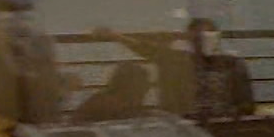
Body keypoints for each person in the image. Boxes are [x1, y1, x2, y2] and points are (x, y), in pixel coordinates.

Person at [94, 18, 253, 122]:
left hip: (224, 125)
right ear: (190, 39)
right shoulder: (178, 60)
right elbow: (146, 49)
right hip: (187, 127)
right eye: (197, 37)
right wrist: (116, 36)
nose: (202, 40)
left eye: (207, 36)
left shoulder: (233, 64)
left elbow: (246, 104)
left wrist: (229, 117)